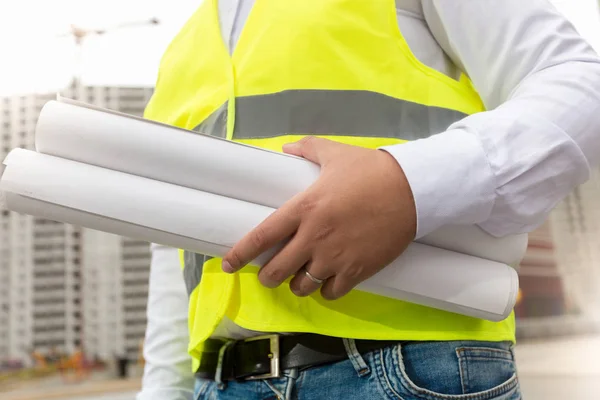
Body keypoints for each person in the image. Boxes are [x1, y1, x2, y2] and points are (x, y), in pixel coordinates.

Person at [137, 1, 600, 399]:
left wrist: (408, 185)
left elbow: (579, 84)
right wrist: (163, 388)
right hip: (219, 381)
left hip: (405, 369)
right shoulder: (187, 45)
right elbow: (174, 244)